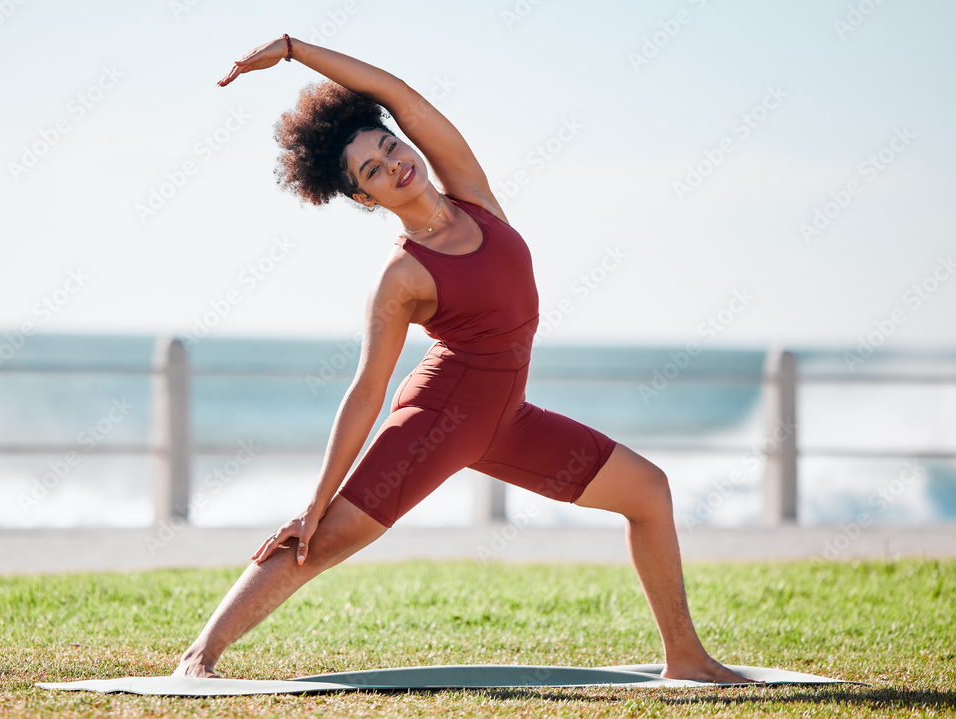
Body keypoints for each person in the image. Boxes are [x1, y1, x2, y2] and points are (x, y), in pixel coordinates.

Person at [172, 34, 750, 684]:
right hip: (435, 420)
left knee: (649, 491)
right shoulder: (401, 276)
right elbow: (367, 389)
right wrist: (317, 497)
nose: (392, 165)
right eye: (371, 171)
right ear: (365, 198)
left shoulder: (469, 190)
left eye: (389, 147)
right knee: (323, 539)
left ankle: (687, 656)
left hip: (508, 421)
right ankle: (198, 658)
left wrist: (292, 51)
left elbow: (398, 95)